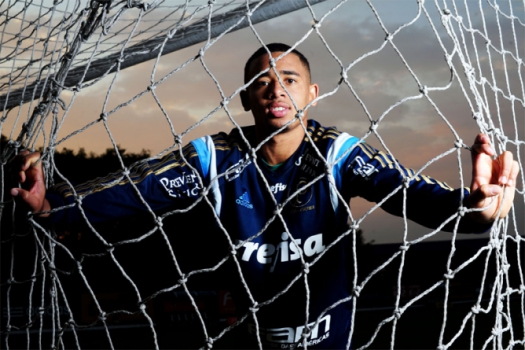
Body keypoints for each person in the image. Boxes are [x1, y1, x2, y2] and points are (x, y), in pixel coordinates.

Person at [11, 43, 519, 349]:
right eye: (262, 81)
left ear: (312, 93)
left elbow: (410, 194)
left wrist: (473, 208)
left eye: (289, 79)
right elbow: (137, 191)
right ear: (245, 98)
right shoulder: (216, 159)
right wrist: (52, 205)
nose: (276, 89)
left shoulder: (337, 155)